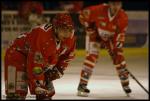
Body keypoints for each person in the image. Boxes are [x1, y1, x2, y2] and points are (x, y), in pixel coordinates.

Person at [4, 13, 76, 100]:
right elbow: (35, 61)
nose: (67, 33)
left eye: (69, 29)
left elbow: (66, 56)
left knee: (46, 94)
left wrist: (59, 70)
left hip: (39, 62)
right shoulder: (43, 36)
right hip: (17, 55)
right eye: (63, 29)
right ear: (55, 28)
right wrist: (37, 85)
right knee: (16, 94)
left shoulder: (70, 38)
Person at [77, 0, 131, 97]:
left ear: (121, 5)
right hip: (95, 35)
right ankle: (82, 85)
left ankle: (125, 83)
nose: (116, 6)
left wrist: (116, 49)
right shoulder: (99, 9)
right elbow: (82, 15)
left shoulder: (123, 17)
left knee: (119, 58)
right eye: (114, 4)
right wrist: (90, 30)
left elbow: (120, 35)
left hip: (111, 39)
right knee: (92, 57)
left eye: (118, 4)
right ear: (109, 3)